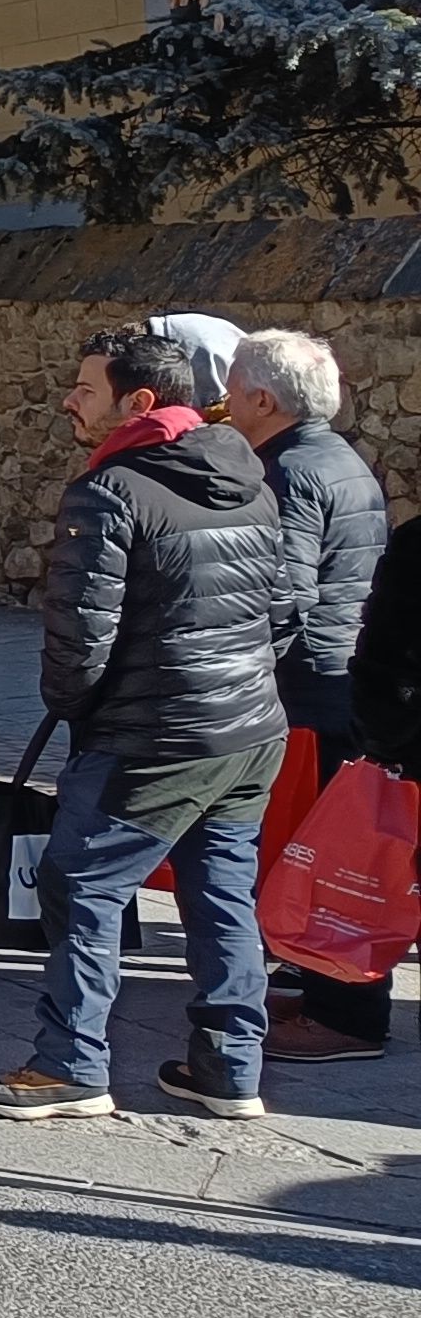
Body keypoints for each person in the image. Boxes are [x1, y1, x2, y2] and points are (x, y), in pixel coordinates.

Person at [0, 324, 293, 1121]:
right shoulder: (247, 474)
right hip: (246, 728)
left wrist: (78, 709)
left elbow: (79, 640)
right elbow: (285, 609)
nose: (68, 402)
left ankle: (71, 1062)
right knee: (221, 893)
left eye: (85, 389)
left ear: (137, 403)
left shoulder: (110, 490)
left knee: (81, 883)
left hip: (152, 735)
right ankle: (230, 1068)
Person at [227, 330, 392, 1058]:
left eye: (233, 389)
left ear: (265, 399)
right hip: (341, 679)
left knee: (327, 862)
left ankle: (346, 1013)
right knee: (333, 854)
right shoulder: (341, 459)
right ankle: (331, 993)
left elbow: (282, 592)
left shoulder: (289, 470)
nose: (225, 402)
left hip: (308, 689)